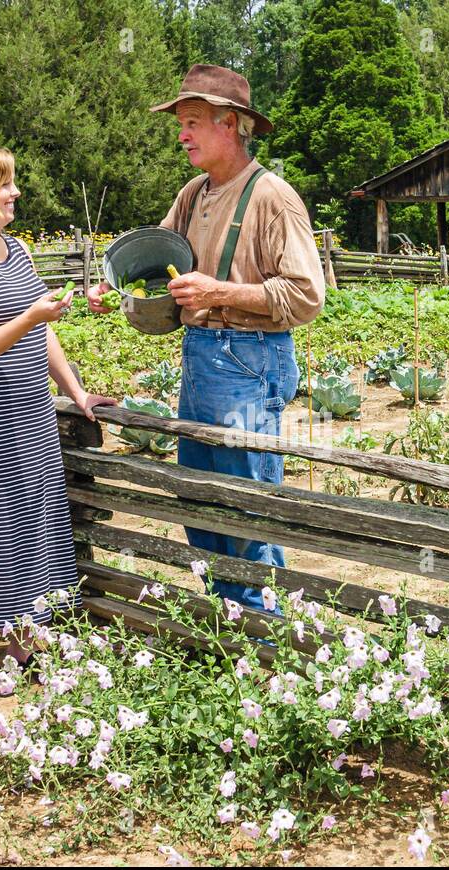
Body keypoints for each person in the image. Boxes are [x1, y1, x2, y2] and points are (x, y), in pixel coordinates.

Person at [88, 65, 325, 612]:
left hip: (251, 359)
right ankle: (228, 618)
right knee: (198, 494)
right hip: (201, 357)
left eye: (192, 122)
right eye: (182, 123)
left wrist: (221, 292)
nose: (182, 134)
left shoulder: (273, 197)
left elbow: (307, 297)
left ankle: (266, 635)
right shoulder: (193, 194)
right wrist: (113, 286)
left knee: (246, 503)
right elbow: (158, 259)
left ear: (232, 124)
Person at [0, 144, 116, 695]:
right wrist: (32, 314)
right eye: (5, 184)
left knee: (32, 522)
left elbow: (43, 332)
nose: (15, 192)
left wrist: (77, 392)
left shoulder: (17, 250)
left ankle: (19, 641)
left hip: (28, 405)